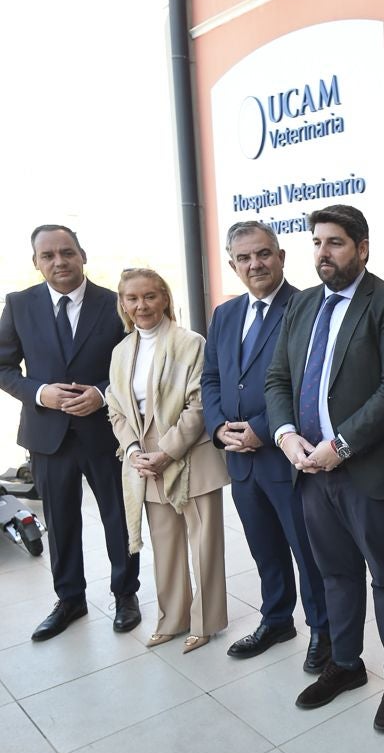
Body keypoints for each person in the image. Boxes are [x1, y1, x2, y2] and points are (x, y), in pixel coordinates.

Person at [266, 205, 384, 733]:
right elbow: (278, 380)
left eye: (335, 243)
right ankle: (347, 664)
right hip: (310, 471)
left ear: (362, 247)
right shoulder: (302, 305)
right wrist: (287, 435)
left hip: (369, 472)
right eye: (316, 242)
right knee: (335, 573)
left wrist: (341, 445)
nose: (323, 253)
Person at [0, 224, 140, 641]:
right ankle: (70, 600)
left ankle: (125, 594)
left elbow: (137, 367)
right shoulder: (19, 304)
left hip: (105, 433)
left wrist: (101, 394)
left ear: (82, 255)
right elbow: (4, 369)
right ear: (36, 263)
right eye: (49, 256)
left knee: (119, 517)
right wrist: (41, 393)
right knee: (59, 521)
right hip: (47, 435)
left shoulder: (116, 303)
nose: (59, 262)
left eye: (67, 252)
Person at [202, 221, 331, 673]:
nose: (254, 264)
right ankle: (277, 619)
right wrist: (218, 428)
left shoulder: (307, 307)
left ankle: (323, 632)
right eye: (244, 257)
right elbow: (213, 379)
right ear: (232, 263)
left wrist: (262, 426)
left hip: (287, 456)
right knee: (264, 548)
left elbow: (307, 383)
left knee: (306, 551)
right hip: (240, 459)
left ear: (280, 256)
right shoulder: (225, 314)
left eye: (263, 254)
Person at [106, 269, 229, 652]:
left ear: (164, 298)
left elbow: (199, 404)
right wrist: (132, 452)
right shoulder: (122, 351)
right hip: (144, 457)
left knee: (204, 543)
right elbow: (116, 409)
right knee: (166, 544)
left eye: (149, 296)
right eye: (132, 298)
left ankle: (205, 622)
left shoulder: (190, 343)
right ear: (123, 304)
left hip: (189, 453)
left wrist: (168, 451)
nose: (141, 305)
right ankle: (171, 619)